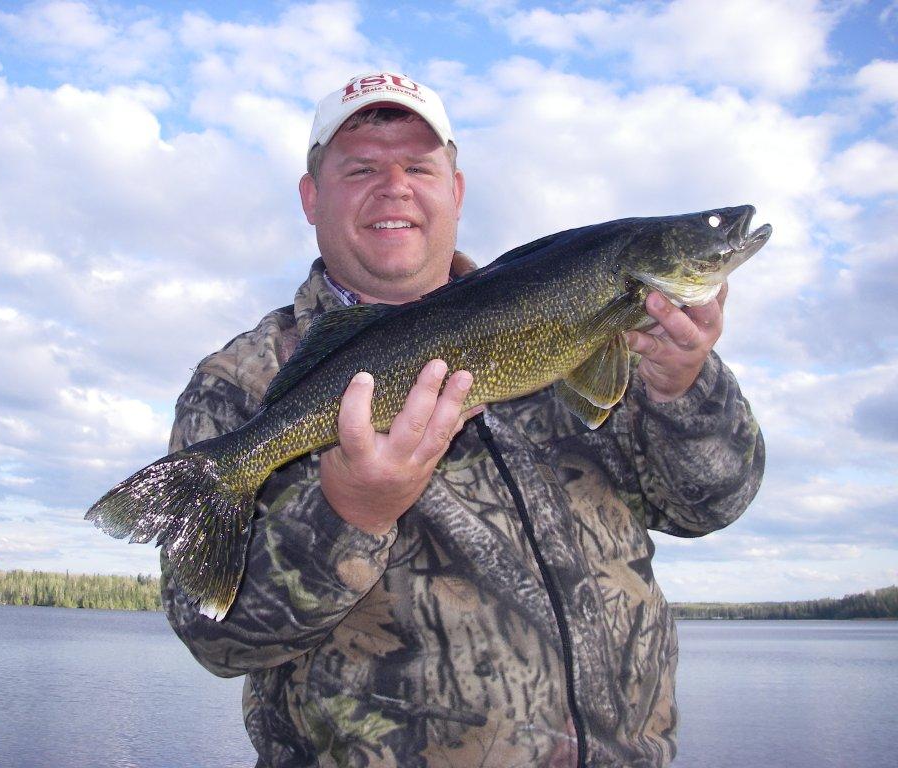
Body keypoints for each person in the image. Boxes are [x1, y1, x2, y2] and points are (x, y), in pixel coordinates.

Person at [160, 72, 764, 768]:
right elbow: (216, 637)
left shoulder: (621, 339)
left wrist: (681, 389)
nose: (395, 187)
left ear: (457, 190)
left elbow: (710, 505)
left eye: (419, 166)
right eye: (361, 168)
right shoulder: (243, 381)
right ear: (311, 196)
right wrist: (349, 512)